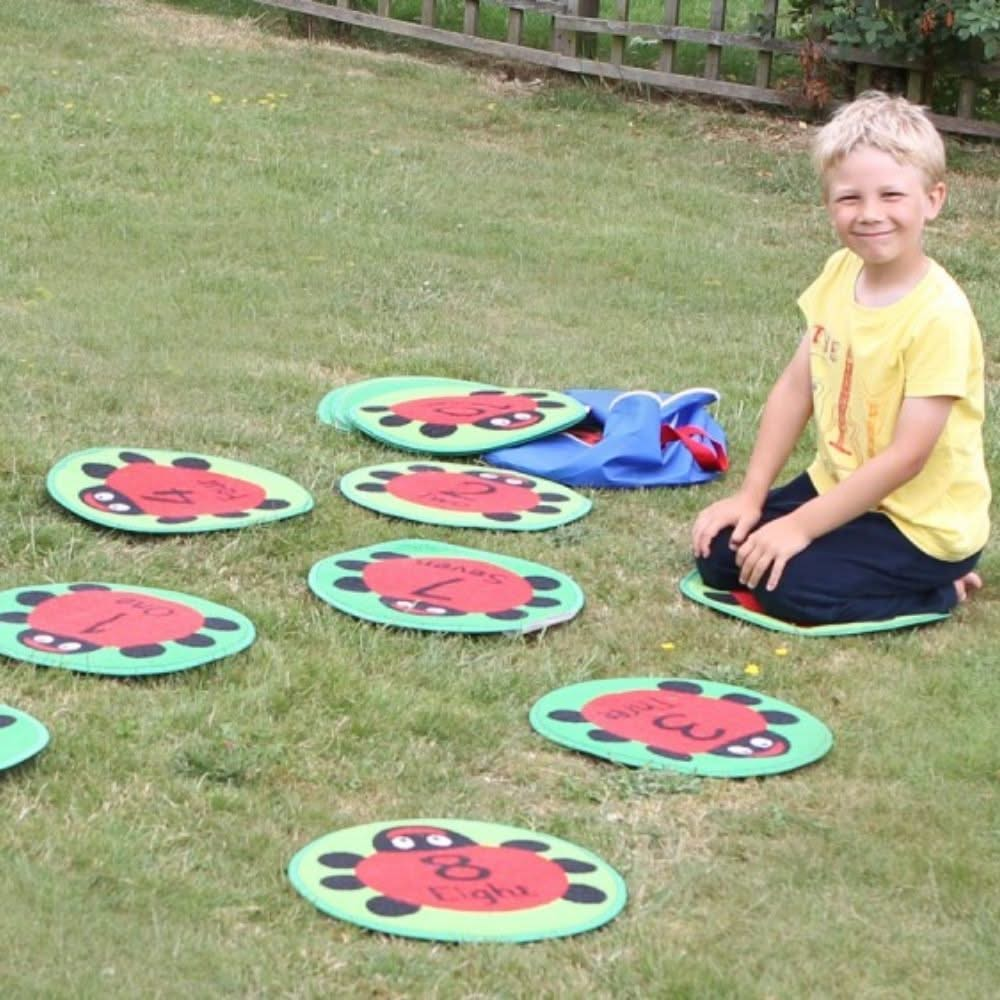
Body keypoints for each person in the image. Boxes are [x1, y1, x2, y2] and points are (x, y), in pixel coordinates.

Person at [691, 90, 989, 625]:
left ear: (933, 199)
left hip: (919, 524)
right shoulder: (838, 274)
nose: (871, 214)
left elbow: (907, 458)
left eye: (892, 195)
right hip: (842, 485)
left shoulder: (939, 316)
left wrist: (801, 527)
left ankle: (939, 586)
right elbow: (795, 388)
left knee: (792, 590)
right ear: (829, 204)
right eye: (850, 198)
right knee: (720, 554)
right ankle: (847, 552)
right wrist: (751, 497)